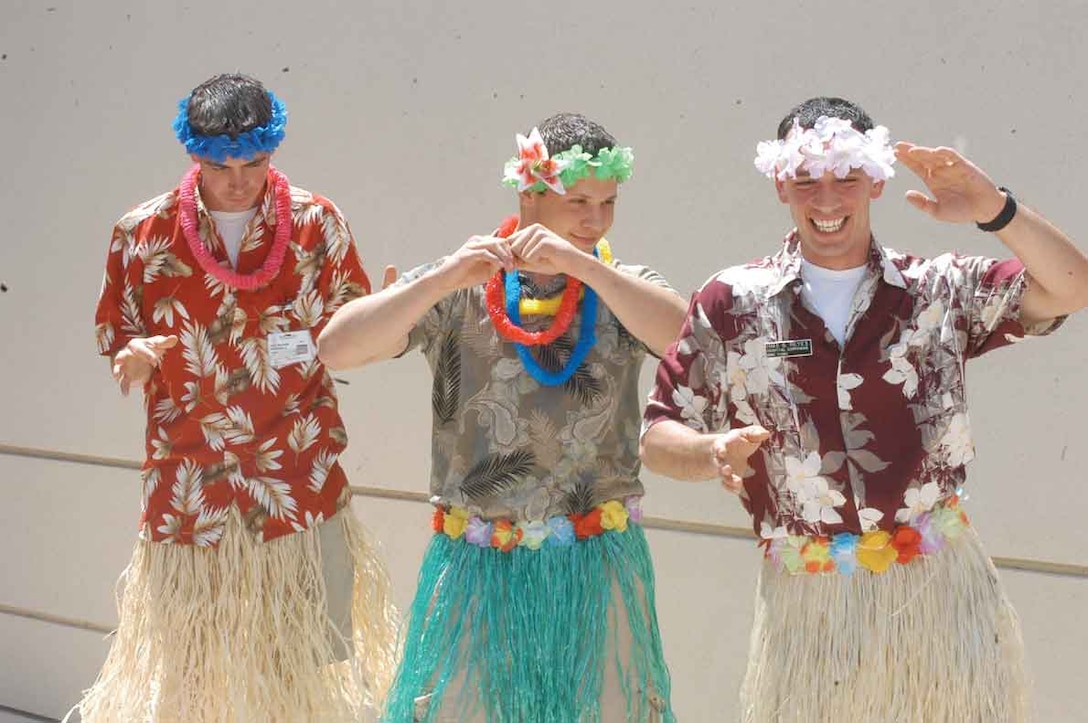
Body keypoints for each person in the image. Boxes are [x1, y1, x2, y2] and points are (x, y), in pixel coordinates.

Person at [640, 96, 1088, 722]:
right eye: (806, 181)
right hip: (810, 614)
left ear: (876, 180)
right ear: (779, 184)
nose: (827, 201)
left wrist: (993, 207)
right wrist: (709, 450)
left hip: (939, 599)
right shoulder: (732, 301)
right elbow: (659, 432)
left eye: (847, 178)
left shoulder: (937, 289)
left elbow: (1071, 286)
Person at [319, 113, 686, 722]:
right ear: (530, 193)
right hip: (478, 559)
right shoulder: (464, 284)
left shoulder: (623, 286)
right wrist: (440, 278)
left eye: (607, 203)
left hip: (595, 557)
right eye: (578, 202)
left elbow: (682, 337)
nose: (594, 219)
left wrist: (588, 267)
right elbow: (336, 349)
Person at [82, 73, 398, 722]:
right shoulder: (141, 232)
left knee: (294, 674)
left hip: (294, 483)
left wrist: (389, 321)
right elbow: (117, 335)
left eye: (252, 163)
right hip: (190, 492)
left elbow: (354, 334)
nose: (237, 181)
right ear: (191, 152)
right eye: (219, 165)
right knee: (192, 675)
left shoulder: (318, 223)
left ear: (272, 149)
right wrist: (131, 359)